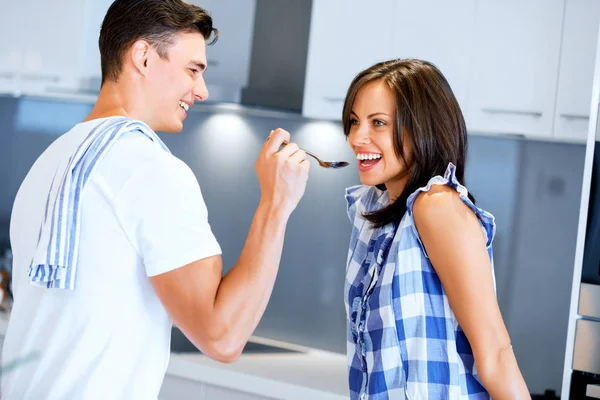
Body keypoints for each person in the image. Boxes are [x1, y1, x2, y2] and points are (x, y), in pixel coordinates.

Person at [1, 0, 309, 398]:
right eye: (193, 70)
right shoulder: (151, 169)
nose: (202, 90)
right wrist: (276, 203)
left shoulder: (52, 160)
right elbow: (223, 336)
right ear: (143, 57)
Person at [343, 59, 530, 399]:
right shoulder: (372, 210)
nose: (357, 137)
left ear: (422, 129)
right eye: (354, 122)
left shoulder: (436, 207)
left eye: (378, 123)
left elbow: (496, 352)